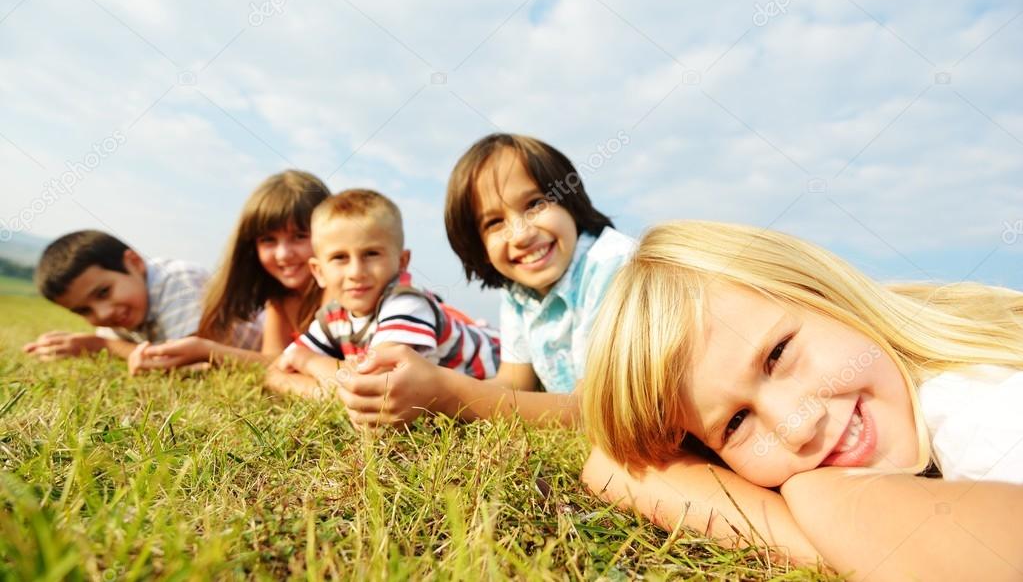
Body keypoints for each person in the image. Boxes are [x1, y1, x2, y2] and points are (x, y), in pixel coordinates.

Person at [581, 220, 1023, 579]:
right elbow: (612, 466)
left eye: (777, 354)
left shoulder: (978, 404)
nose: (795, 424)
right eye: (735, 423)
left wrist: (819, 496)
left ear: (826, 294)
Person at [335, 133, 634, 426]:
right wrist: (421, 388)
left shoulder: (613, 266)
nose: (522, 234)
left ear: (570, 201)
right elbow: (515, 382)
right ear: (479, 248)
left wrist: (446, 392)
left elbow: (594, 410)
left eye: (535, 204)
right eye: (494, 222)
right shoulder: (519, 291)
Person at [265, 188, 500, 397]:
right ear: (319, 271)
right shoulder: (334, 316)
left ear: (402, 262)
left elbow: (375, 385)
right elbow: (276, 371)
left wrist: (308, 361)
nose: (356, 272)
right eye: (339, 257)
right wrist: (320, 392)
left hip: (495, 357)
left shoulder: (407, 302)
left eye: (371, 254)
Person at [128, 170, 328, 373]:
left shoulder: (341, 293)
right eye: (268, 240)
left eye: (300, 236)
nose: (283, 254)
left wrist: (206, 350)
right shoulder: (279, 300)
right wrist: (201, 350)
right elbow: (275, 362)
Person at [22, 230, 253, 360]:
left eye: (103, 292)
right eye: (84, 310)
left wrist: (100, 345)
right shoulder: (122, 309)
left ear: (134, 263)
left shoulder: (176, 279)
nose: (103, 313)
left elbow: (188, 358)